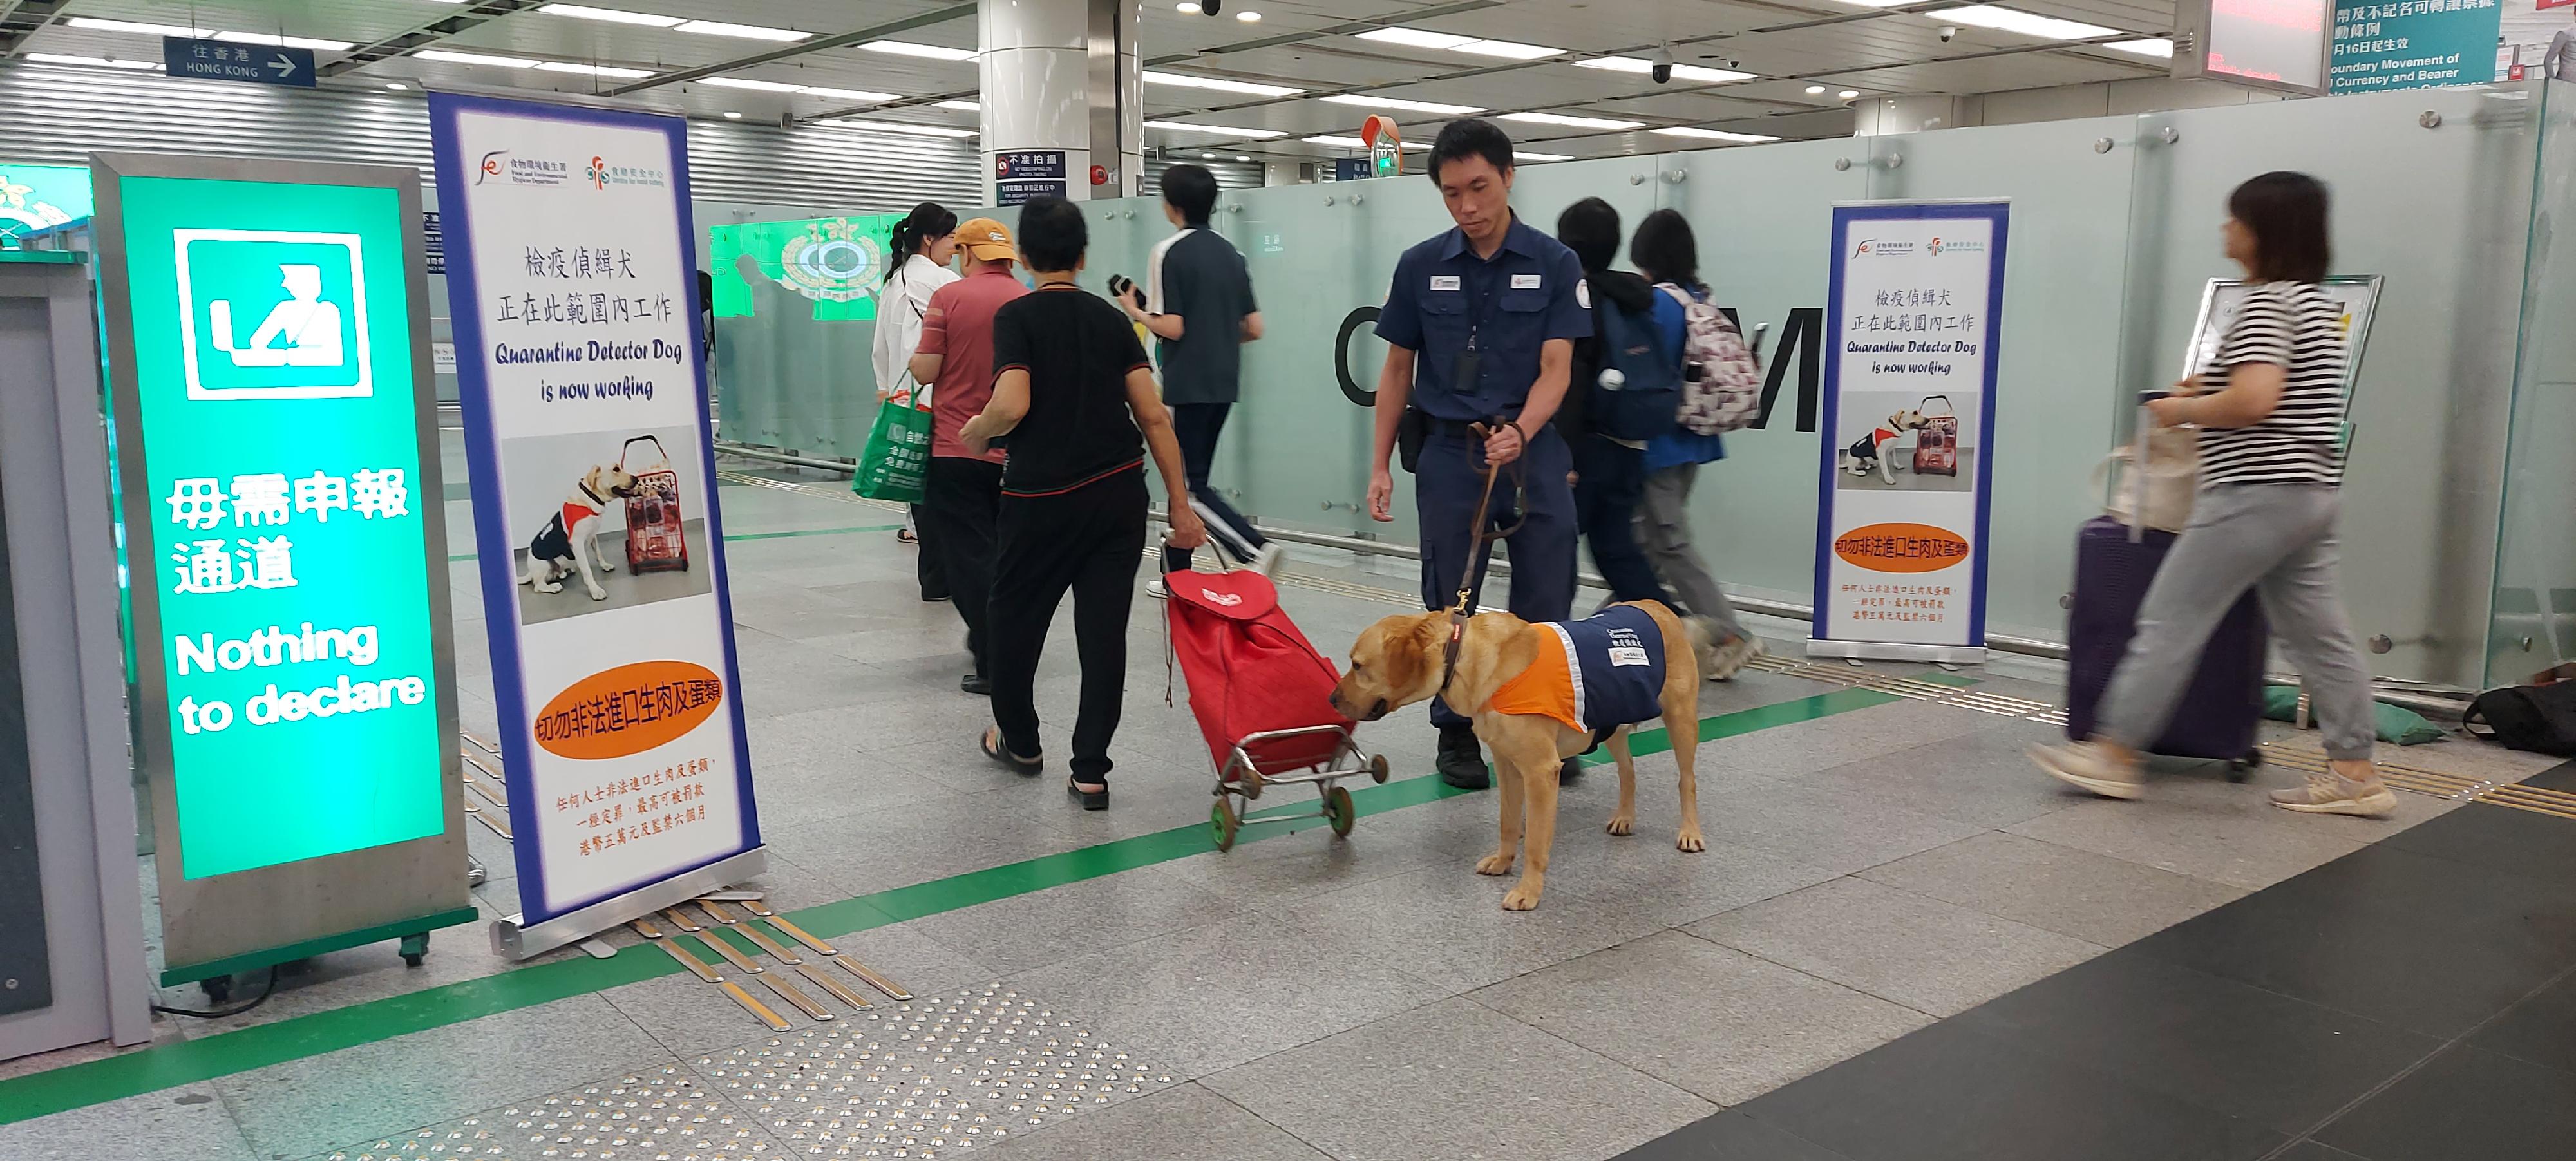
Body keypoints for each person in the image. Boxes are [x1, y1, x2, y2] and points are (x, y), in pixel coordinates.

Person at [2029, 171, 2394, 816]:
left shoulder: (2265, 304)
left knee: (2169, 621)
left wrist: (2181, 411)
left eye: (2235, 219)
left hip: (2254, 491)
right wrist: (2208, 393)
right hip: (2309, 489)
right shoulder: (2311, 301)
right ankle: (2355, 773)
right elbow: (2279, 396)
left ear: (2262, 231)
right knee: (2320, 638)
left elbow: (2256, 400)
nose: (2225, 229)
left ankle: (2113, 754)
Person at [961, 197, 1208, 811]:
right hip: (1117, 493)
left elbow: (1013, 402)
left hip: (1040, 498)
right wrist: (1181, 506)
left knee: (1013, 619)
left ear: (1023, 255)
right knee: (1103, 634)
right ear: (1083, 255)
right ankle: (1091, 771)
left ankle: (1019, 740)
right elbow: (1152, 415)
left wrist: (980, 430)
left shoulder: (1017, 317)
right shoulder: (1110, 319)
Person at [1366, 118, 1589, 791]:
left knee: (1546, 594)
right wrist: (1379, 465)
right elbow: (1397, 370)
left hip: (1531, 448)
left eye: (1479, 188)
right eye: (1451, 193)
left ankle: (1543, 725)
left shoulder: (1554, 264)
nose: (1467, 207)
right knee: (1447, 602)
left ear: (1508, 177)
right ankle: (1456, 732)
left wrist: (1521, 430)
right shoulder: (1419, 265)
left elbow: (1557, 369)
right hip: (1447, 450)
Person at [1116, 163, 1282, 594]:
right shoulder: (1232, 253)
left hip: (1183, 381)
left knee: (1185, 487)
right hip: (1224, 380)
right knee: (1194, 476)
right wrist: (1218, 338)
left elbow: (1172, 325)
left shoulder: (1168, 251)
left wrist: (1135, 311)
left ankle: (1254, 549)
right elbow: (1254, 327)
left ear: (1171, 206)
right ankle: (1178, 577)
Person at [1628, 208, 1764, 681]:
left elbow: (1644, 373)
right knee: (1644, 543)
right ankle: (1615, 633)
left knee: (1667, 541)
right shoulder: (1699, 298)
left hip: (1661, 443)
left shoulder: (1658, 305)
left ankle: (1730, 633)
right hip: (1695, 440)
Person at [909, 216, 1027, 696]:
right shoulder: (1026, 300)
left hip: (957, 448)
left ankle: (993, 655)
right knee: (1006, 554)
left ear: (969, 254)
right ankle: (1006, 647)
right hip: (1017, 453)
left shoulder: (948, 298)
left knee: (966, 560)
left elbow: (925, 369)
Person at [1553, 197, 1677, 614]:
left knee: (1554, 547)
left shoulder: (1582, 299)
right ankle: (1679, 630)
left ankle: (1555, 639)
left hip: (1590, 446)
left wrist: (1565, 457)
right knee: (1616, 551)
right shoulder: (1635, 296)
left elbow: (1572, 381)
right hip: (1631, 441)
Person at [872, 203, 960, 601]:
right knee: (947, 489)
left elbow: (880, 347)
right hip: (941, 398)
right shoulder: (944, 281)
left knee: (921, 488)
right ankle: (947, 577)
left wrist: (886, 390)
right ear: (929, 239)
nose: (955, 245)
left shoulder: (893, 282)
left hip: (903, 399)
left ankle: (934, 579)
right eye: (950, 237)